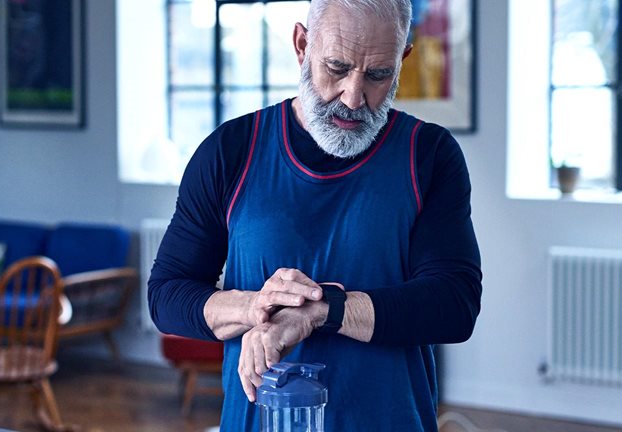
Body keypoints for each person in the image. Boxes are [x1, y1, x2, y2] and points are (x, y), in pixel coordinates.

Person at [148, 0, 482, 430]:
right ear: (302, 44)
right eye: (337, 67)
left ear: (402, 60)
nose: (354, 96)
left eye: (379, 75)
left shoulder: (429, 155)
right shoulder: (230, 152)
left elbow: (454, 303)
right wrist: (259, 307)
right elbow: (167, 296)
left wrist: (322, 311)